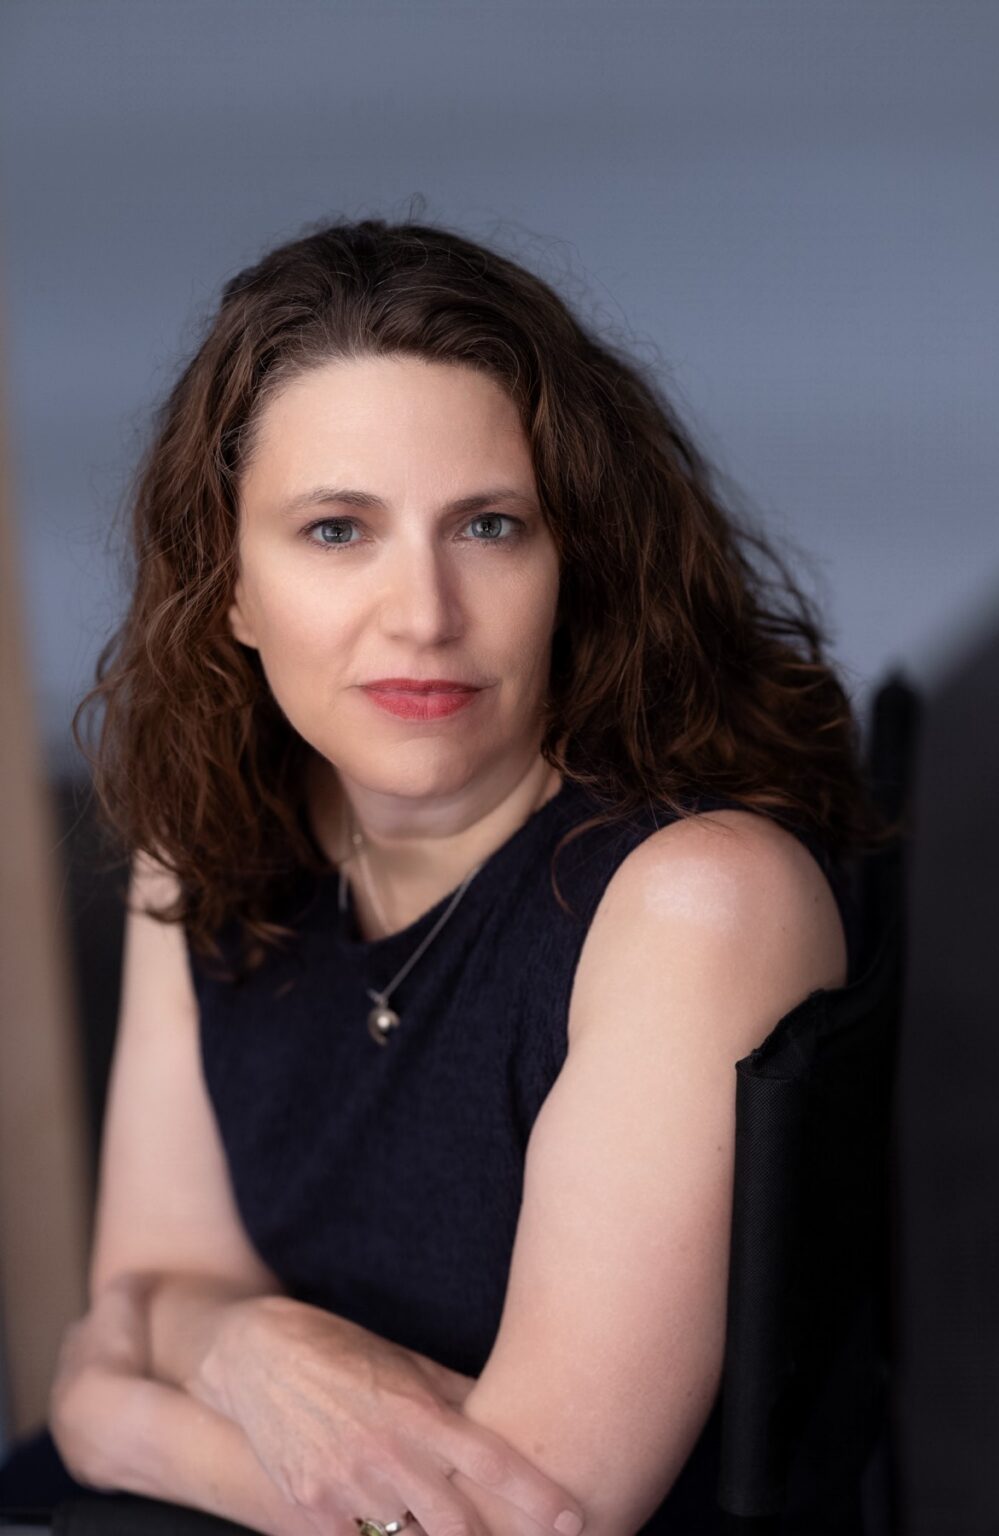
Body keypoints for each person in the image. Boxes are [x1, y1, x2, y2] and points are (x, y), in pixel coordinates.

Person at [1, 215, 891, 1536]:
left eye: (488, 524)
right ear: (232, 585)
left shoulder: (701, 902)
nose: (423, 611)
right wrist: (253, 1353)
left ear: (572, 563)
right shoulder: (204, 837)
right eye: (337, 531)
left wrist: (120, 1420)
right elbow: (157, 1276)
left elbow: (533, 1514)